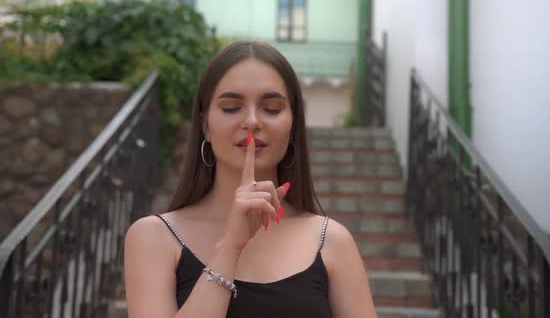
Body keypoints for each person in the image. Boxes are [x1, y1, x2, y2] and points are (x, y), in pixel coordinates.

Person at [124, 41, 377, 317]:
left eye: (271, 108)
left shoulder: (332, 241)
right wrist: (230, 247)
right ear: (206, 125)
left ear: (293, 125)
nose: (253, 121)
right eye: (231, 107)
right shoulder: (153, 237)